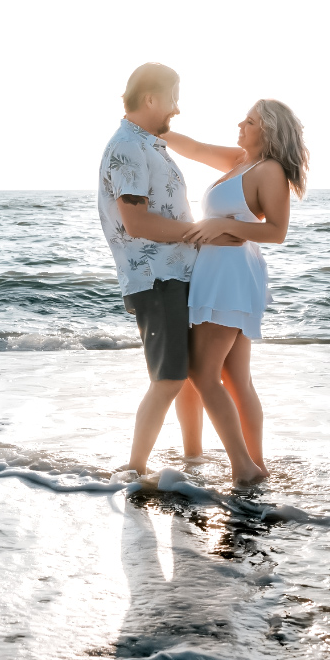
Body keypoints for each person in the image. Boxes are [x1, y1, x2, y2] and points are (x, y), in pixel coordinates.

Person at [98, 63, 266, 486]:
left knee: (184, 373)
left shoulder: (150, 145)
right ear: (152, 98)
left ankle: (200, 461)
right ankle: (134, 468)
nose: (178, 106)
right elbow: (136, 223)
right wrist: (204, 236)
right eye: (173, 97)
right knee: (169, 376)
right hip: (154, 277)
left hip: (176, 274)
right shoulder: (128, 148)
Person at [161, 99, 310, 480]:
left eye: (251, 121)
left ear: (269, 131)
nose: (240, 124)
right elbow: (194, 148)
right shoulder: (240, 160)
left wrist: (221, 229)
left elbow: (276, 231)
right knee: (235, 378)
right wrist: (152, 128)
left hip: (230, 275)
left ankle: (243, 468)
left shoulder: (269, 170)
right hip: (217, 273)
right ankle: (254, 464)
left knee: (201, 373)